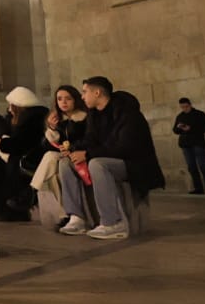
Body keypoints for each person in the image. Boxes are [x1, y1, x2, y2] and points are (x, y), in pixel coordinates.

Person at [60, 77, 164, 240]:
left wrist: (87, 154)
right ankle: (76, 218)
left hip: (134, 164)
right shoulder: (94, 115)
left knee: (97, 164)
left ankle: (113, 223)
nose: (82, 97)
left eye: (85, 92)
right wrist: (73, 149)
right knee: (66, 163)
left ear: (97, 92)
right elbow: (90, 139)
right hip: (110, 158)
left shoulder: (127, 113)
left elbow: (125, 147)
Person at [0, 86, 48, 221]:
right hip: (18, 155)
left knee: (3, 164)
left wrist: (1, 143)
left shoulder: (33, 120)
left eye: (11, 105)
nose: (9, 109)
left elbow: (21, 143)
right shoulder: (14, 118)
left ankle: (7, 208)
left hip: (30, 158)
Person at [172, 97, 205, 194]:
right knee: (191, 167)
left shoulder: (200, 115)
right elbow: (175, 130)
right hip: (185, 144)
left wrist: (190, 129)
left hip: (197, 143)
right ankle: (198, 188)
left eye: (186, 107)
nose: (184, 109)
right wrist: (179, 128)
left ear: (190, 105)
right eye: (182, 107)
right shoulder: (180, 116)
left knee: (203, 166)